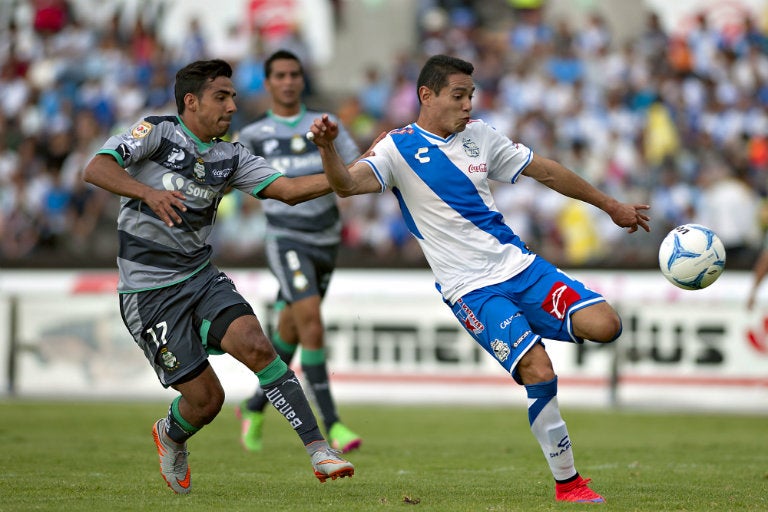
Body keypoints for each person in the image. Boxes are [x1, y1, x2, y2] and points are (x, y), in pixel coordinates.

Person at [308, 54, 651, 504]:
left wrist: (609, 205)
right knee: (538, 369)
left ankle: (533, 345)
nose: (469, 104)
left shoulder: (481, 136)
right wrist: (329, 149)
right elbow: (347, 187)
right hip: (471, 289)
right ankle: (569, 484)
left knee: (607, 325)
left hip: (521, 267)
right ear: (426, 96)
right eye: (459, 95)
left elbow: (544, 170)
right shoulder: (396, 149)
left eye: (471, 95)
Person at [82, 59, 354, 495]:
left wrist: (359, 170)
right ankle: (170, 434)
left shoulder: (231, 155)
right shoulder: (156, 132)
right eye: (221, 97)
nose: (232, 105)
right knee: (207, 401)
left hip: (200, 277)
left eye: (232, 96)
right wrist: (148, 192)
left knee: (258, 346)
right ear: (191, 102)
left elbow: (288, 191)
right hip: (148, 293)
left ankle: (319, 451)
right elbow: (95, 168)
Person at [234, 49, 362, 453]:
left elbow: (356, 170)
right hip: (286, 238)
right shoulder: (253, 135)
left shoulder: (327, 124)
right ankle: (333, 424)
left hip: (327, 238)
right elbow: (237, 180)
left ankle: (254, 406)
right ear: (268, 83)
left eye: (294, 74)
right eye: (280, 75)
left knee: (290, 328)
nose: (288, 81)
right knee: (312, 322)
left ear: (302, 80)